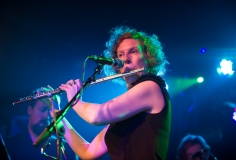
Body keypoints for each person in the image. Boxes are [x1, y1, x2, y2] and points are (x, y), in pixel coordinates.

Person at [55, 25, 171, 160]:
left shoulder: (151, 86)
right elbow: (87, 153)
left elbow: (96, 116)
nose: (125, 59)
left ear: (148, 57)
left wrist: (73, 100)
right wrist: (58, 117)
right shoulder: (125, 110)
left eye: (133, 51)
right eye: (120, 54)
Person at [4, 87, 78, 160]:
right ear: (30, 110)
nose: (46, 116)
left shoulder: (68, 149)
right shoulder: (9, 145)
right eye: (43, 109)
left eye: (51, 111)